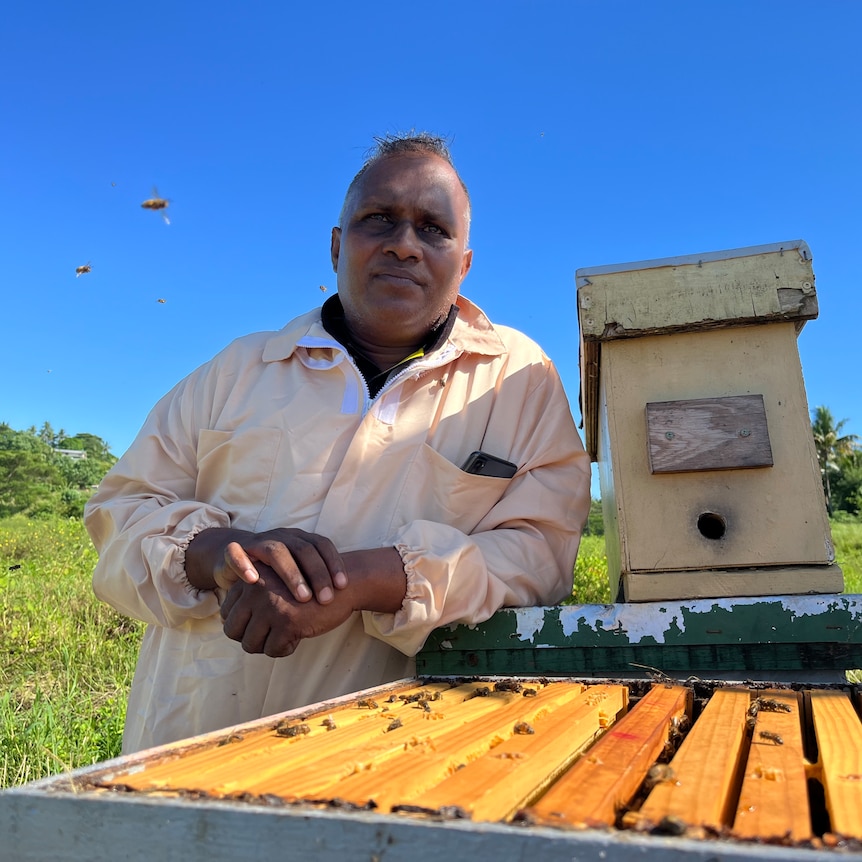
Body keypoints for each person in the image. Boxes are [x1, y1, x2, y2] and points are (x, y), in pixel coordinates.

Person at [84, 132, 592, 753]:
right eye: (379, 220)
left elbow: (541, 554)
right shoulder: (238, 369)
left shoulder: (520, 379)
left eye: (433, 229)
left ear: (463, 265)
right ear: (335, 245)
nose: (403, 244)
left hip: (389, 757)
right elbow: (119, 515)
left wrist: (367, 580)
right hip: (186, 740)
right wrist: (218, 553)